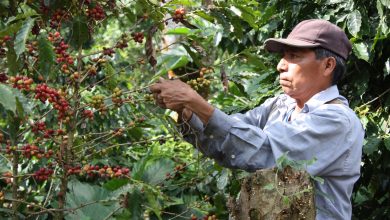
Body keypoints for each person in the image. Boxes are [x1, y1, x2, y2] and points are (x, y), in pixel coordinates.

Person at [150, 19, 364, 220]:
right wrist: (186, 111)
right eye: (283, 56)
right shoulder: (280, 105)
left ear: (328, 65)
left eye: (294, 56)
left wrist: (196, 102)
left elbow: (266, 154)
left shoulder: (337, 121)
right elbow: (227, 141)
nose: (281, 65)